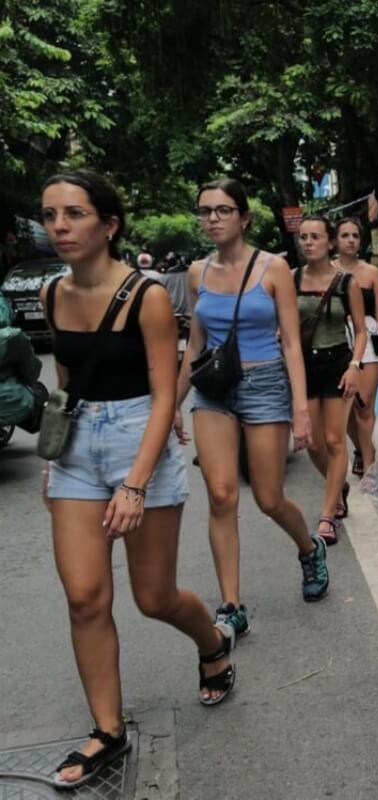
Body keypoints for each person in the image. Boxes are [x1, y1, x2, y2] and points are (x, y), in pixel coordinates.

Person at [37, 170, 235, 790]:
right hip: (75, 451)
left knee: (154, 597)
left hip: (138, 441)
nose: (60, 227)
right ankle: (107, 730)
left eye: (73, 214)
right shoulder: (51, 293)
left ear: (109, 224)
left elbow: (162, 397)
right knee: (85, 596)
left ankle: (213, 643)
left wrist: (135, 483)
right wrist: (53, 451)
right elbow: (68, 381)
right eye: (50, 216)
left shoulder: (146, 295)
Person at [175, 178, 330, 641]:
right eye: (205, 211)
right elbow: (195, 346)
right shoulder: (197, 272)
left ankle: (309, 548)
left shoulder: (274, 268)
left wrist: (301, 408)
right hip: (214, 389)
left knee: (267, 497)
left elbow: (292, 345)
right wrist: (171, 408)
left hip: (265, 384)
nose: (213, 219)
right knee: (221, 495)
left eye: (223, 210)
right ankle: (231, 606)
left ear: (244, 217)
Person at [294, 215, 368, 543]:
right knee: (311, 441)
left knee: (336, 441)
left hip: (338, 361)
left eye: (315, 237)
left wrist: (354, 365)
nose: (308, 242)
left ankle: (328, 514)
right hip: (304, 366)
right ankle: (338, 484)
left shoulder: (345, 283)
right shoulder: (291, 280)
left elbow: (362, 331)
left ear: (329, 242)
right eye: (303, 237)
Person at [332, 217, 378, 477]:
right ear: (335, 240)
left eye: (355, 235)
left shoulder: (372, 273)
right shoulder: (327, 271)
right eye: (345, 235)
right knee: (345, 405)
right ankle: (361, 449)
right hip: (338, 338)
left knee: (364, 405)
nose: (351, 240)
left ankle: (371, 472)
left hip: (370, 339)